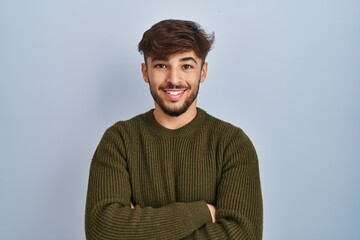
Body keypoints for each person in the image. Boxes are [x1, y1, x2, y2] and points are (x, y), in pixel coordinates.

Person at [85, 19, 263, 240]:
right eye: (161, 65)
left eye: (186, 66)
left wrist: (136, 230)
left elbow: (244, 235)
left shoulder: (233, 144)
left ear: (203, 72)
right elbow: (102, 231)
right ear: (145, 72)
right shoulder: (118, 141)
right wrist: (203, 212)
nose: (174, 79)